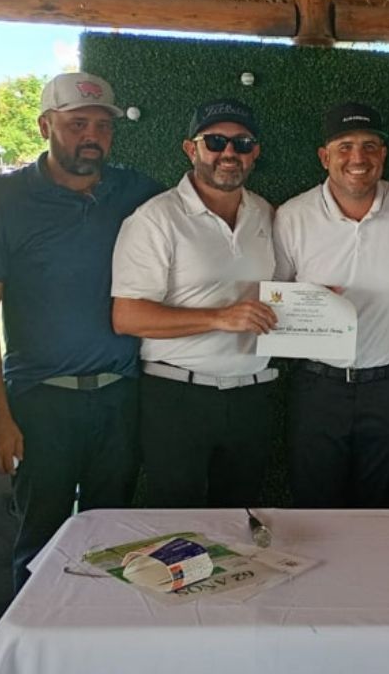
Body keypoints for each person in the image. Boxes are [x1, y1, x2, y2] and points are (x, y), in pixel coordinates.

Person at [0, 72, 162, 589]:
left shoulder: (136, 192)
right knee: (39, 545)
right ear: (44, 126)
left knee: (114, 544)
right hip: (39, 403)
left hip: (120, 400)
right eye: (77, 124)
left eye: (102, 125)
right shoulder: (4, 198)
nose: (91, 136)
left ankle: (98, 636)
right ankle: (30, 637)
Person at [111, 99, 278, 507]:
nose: (229, 153)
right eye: (215, 141)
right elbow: (126, 316)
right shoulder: (155, 219)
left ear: (255, 152)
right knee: (176, 519)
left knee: (241, 518)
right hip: (177, 397)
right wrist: (220, 318)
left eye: (242, 143)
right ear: (191, 149)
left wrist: (322, 303)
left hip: (252, 395)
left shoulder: (265, 214)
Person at [273, 102, 389, 507]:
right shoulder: (293, 216)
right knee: (315, 509)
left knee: (384, 510)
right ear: (324, 157)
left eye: (369, 146)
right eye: (344, 147)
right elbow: (272, 298)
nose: (358, 158)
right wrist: (307, 305)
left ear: (384, 154)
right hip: (317, 388)